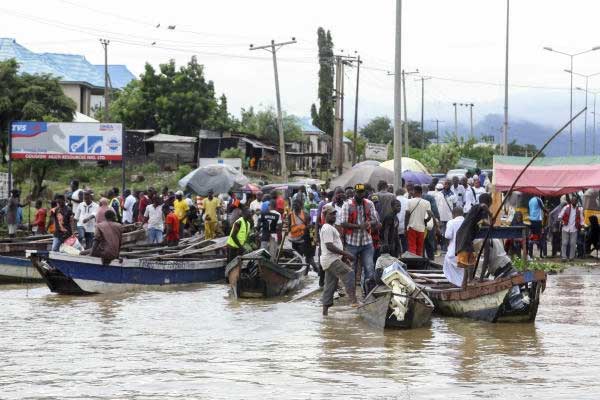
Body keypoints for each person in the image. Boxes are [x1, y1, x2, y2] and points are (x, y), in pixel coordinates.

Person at [340, 183, 380, 296]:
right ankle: (352, 295)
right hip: (351, 242)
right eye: (358, 192)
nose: (360, 194)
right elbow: (343, 222)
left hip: (367, 242)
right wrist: (358, 226)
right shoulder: (347, 205)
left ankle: (367, 294)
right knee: (351, 270)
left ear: (364, 193)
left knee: (369, 268)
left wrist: (369, 223)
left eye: (362, 192)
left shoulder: (369, 203)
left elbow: (375, 220)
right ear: (354, 193)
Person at [320, 204, 357, 315]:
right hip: (331, 259)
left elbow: (335, 244)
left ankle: (324, 313)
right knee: (349, 273)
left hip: (330, 260)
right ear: (325, 215)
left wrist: (343, 257)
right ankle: (353, 300)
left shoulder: (330, 227)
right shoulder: (327, 228)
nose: (333, 216)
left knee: (329, 286)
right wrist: (346, 253)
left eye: (334, 214)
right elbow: (329, 246)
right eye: (331, 214)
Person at [455, 193, 492, 287]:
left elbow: (483, 222)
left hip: (464, 236)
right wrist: (490, 214)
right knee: (470, 260)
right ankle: (470, 281)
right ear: (488, 202)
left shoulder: (477, 211)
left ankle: (464, 284)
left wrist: (489, 222)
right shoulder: (478, 207)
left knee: (467, 262)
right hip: (465, 237)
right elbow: (483, 206)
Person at [405, 185, 434, 256]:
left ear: (415, 192)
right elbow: (430, 215)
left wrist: (406, 226)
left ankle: (413, 262)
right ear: (421, 192)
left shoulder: (409, 201)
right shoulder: (426, 202)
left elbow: (407, 215)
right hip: (421, 228)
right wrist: (426, 221)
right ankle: (418, 263)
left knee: (412, 246)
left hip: (412, 227)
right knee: (420, 247)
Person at [443, 207, 465, 287]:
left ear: (453, 214)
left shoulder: (451, 222)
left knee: (448, 266)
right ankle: (462, 284)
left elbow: (448, 236)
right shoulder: (467, 221)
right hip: (465, 253)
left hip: (453, 253)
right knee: (462, 270)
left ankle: (454, 285)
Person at [558, 195, 584, 261]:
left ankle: (571, 257)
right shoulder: (566, 207)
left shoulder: (579, 209)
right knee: (564, 243)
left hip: (574, 229)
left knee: (573, 243)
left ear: (577, 201)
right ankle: (564, 257)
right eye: (573, 200)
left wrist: (582, 228)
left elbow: (581, 220)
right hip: (565, 228)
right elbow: (559, 216)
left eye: (575, 200)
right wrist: (562, 222)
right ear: (571, 201)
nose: (574, 201)